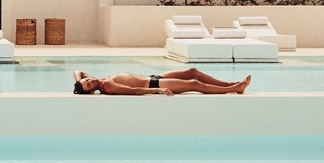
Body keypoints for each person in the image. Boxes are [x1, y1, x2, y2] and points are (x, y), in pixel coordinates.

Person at [73, 68, 250, 96]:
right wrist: (157, 92)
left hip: (153, 77)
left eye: (87, 80)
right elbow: (134, 90)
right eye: (88, 84)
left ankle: (227, 84)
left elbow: (77, 71)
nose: (89, 80)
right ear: (92, 90)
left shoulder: (98, 79)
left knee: (192, 72)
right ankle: (235, 88)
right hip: (154, 85)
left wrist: (80, 83)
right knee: (195, 84)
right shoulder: (107, 86)